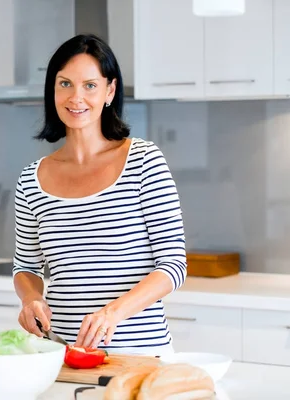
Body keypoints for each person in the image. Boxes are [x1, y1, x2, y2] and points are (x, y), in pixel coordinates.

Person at [12, 34, 187, 357]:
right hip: (62, 355)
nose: (76, 97)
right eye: (65, 84)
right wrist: (30, 299)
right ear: (52, 90)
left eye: (90, 85)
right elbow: (25, 267)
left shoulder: (144, 161)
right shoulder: (31, 179)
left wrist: (114, 312)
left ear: (110, 91)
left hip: (139, 355)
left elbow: (173, 265)